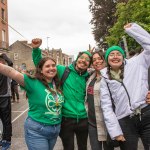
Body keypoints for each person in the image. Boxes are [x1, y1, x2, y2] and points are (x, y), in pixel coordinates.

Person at [31, 39, 92, 150]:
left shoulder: (89, 77)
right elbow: (41, 64)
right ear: (77, 59)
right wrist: (35, 49)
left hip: (83, 119)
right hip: (66, 119)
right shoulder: (63, 70)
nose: (83, 61)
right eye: (82, 57)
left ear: (89, 64)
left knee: (83, 147)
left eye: (87, 60)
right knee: (68, 148)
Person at [100, 23, 150, 150]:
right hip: (125, 120)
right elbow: (106, 107)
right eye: (111, 54)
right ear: (107, 59)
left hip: (146, 114)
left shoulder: (137, 62)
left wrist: (133, 29)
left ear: (123, 56)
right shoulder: (105, 79)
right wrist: (115, 131)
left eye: (118, 53)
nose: (115, 56)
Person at [0, 56, 64, 150]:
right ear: (41, 70)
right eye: (47, 66)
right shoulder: (32, 82)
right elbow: (11, 72)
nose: (51, 68)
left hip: (55, 129)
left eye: (53, 65)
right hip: (37, 130)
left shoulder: (58, 84)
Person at [86, 50, 114, 150]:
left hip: (107, 122)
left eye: (99, 58)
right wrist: (87, 54)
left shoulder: (111, 77)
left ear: (105, 60)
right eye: (94, 60)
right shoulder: (90, 77)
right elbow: (78, 65)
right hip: (92, 123)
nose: (97, 61)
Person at [0, 53, 13, 150]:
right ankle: (4, 139)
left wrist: (3, 55)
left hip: (5, 97)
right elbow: (10, 63)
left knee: (6, 121)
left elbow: (10, 63)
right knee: (4, 121)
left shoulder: (6, 71)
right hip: (3, 97)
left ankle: (7, 140)